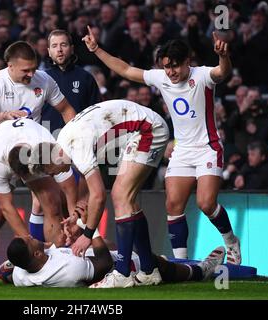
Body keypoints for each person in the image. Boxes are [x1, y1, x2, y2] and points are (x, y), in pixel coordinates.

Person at [82, 26, 242, 265]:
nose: (170, 72)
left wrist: (223, 56)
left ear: (188, 62)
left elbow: (223, 72)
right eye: (166, 66)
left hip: (208, 147)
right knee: (173, 205)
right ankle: (183, 263)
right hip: (182, 150)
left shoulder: (202, 76)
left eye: (175, 66)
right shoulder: (161, 77)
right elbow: (125, 70)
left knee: (206, 203)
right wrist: (96, 50)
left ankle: (231, 242)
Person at [0, 40, 76, 286]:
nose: (31, 74)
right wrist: (2, 116)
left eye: (33, 69)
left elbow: (66, 109)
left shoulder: (44, 80)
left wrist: (73, 138)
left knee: (52, 202)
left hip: (33, 148)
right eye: (25, 70)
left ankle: (59, 258)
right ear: (10, 66)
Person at [28, 99, 169, 288]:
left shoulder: (76, 147)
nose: (54, 175)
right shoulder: (63, 143)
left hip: (148, 129)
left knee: (120, 196)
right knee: (129, 203)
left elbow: (98, 195)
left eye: (50, 171)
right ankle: (149, 271)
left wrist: (87, 235)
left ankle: (122, 273)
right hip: (139, 128)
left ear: (50, 160)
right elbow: (89, 192)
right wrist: (78, 218)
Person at [3, 228, 226, 288]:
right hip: (113, 270)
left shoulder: (21, 274)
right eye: (30, 240)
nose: (32, 236)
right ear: (36, 254)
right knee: (157, 265)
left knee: (109, 245)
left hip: (90, 260)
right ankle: (199, 271)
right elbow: (105, 263)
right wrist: (89, 230)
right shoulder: (68, 269)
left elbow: (7, 272)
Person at [0, 118, 77, 252]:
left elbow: (69, 187)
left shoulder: (44, 144)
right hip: (1, 146)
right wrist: (29, 243)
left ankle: (59, 254)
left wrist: (74, 216)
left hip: (33, 144)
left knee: (53, 203)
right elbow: (6, 207)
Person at [41, 29, 101, 133]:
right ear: (49, 52)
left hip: (79, 137)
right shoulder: (41, 78)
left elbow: (96, 113)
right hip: (48, 139)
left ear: (72, 49)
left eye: (63, 45)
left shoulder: (86, 77)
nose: (59, 49)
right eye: (54, 46)